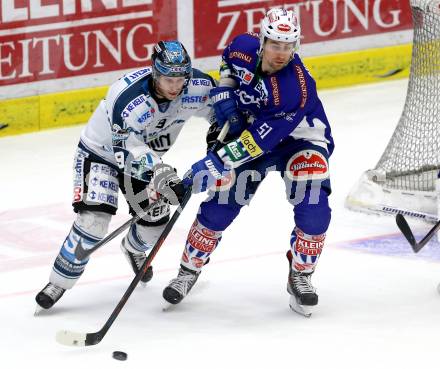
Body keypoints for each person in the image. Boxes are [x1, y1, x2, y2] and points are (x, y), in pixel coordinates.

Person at [162, 8, 334, 317]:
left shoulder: (295, 87)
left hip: (299, 140)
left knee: (313, 205)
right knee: (222, 205)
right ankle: (188, 271)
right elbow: (228, 61)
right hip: (254, 132)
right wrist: (226, 92)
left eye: (288, 46)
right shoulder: (243, 45)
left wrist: (214, 162)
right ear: (263, 39)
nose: (281, 53)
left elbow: (257, 143)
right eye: (275, 44)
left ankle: (301, 274)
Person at [35, 40, 216, 312]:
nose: (175, 86)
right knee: (93, 221)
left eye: (180, 78)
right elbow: (128, 153)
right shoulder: (129, 98)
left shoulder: (198, 86)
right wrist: (164, 176)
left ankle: (132, 248)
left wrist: (221, 135)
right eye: (168, 78)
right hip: (102, 155)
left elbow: (221, 112)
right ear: (154, 72)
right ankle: (58, 282)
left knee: (154, 226)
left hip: (147, 160)